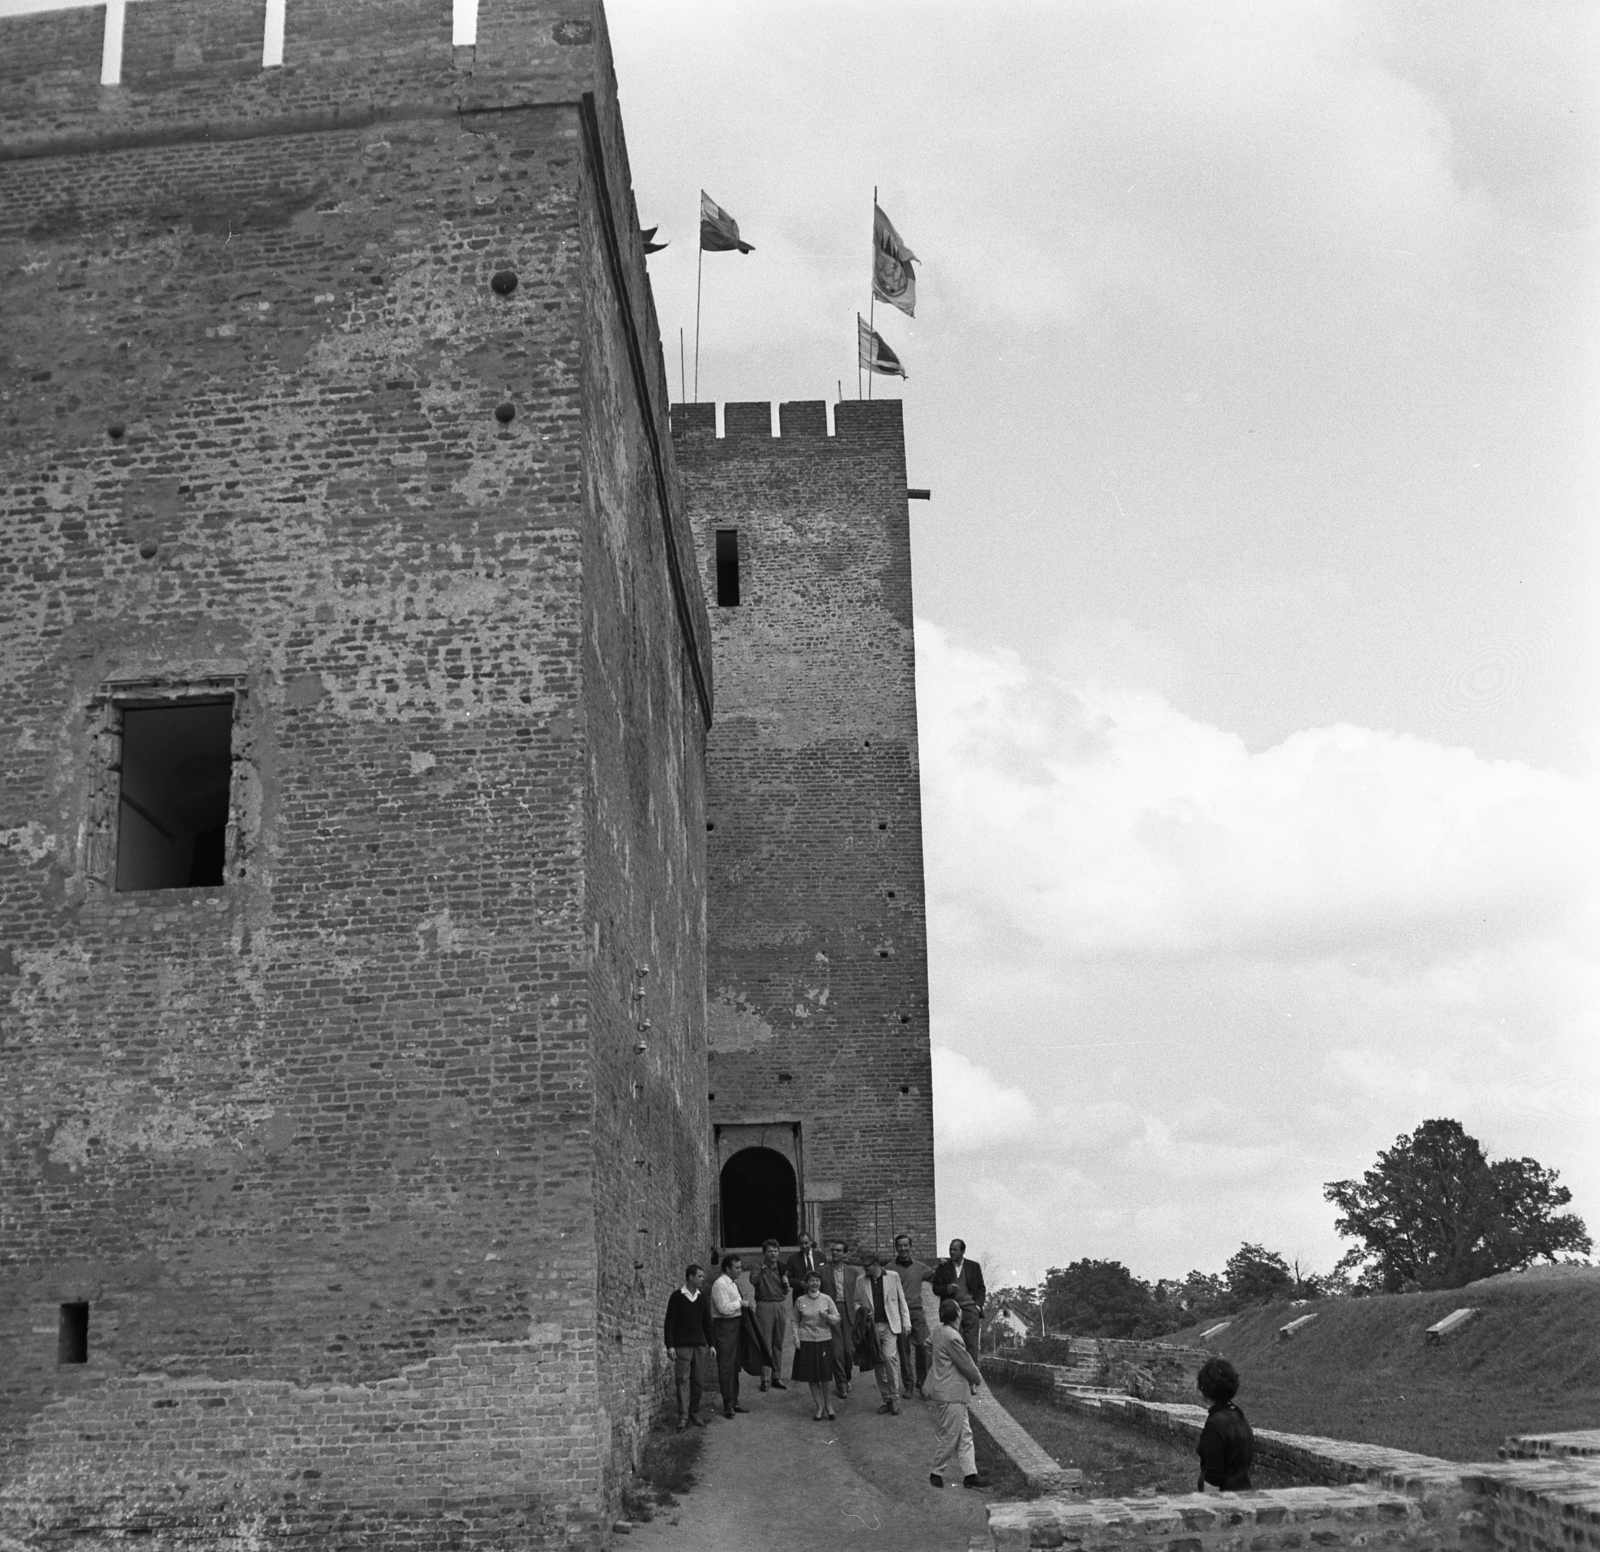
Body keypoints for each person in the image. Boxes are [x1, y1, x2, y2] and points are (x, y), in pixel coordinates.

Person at [927, 1297, 988, 1490]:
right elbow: (966, 1363)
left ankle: (971, 1474)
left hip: (950, 1392)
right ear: (958, 1315)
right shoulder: (953, 1337)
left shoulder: (938, 1331)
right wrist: (977, 1379)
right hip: (951, 1394)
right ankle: (936, 1472)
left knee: (965, 1434)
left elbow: (928, 1344)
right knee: (950, 1435)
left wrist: (940, 1363)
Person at [853, 1249, 911, 1414]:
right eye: (863, 1266)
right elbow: (856, 1303)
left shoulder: (892, 1277)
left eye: (868, 1266)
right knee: (878, 1362)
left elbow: (901, 1301)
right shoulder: (860, 1281)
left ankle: (895, 1398)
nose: (865, 1270)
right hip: (871, 1328)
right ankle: (887, 1400)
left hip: (889, 1325)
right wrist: (863, 1310)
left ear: (876, 1264)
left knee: (889, 1358)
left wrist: (906, 1323)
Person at [663, 1263, 714, 1430]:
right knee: (681, 1380)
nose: (703, 1279)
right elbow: (669, 1323)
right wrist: (670, 1346)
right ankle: (683, 1417)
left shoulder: (702, 1298)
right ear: (690, 1277)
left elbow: (707, 1323)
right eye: (700, 1276)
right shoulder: (676, 1297)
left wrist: (711, 1344)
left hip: (699, 1345)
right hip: (682, 1346)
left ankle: (694, 1413)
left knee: (697, 1381)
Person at [1196, 1357, 1254, 1491]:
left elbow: (1213, 1479)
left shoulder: (1215, 1424)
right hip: (1244, 1494)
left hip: (1225, 1500)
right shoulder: (1239, 1415)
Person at [791, 1270, 842, 1421]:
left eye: (817, 1281)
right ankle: (819, 1406)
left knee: (825, 1376)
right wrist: (796, 1337)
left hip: (823, 1340)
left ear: (820, 1283)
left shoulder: (826, 1299)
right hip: (806, 1341)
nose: (814, 1283)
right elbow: (795, 1320)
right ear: (806, 1283)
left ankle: (828, 1405)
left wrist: (828, 1317)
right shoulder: (800, 1300)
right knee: (812, 1376)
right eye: (811, 1280)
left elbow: (837, 1318)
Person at [709, 1254, 751, 1419]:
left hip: (735, 1326)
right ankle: (728, 1405)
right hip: (724, 1327)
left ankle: (734, 1401)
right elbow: (723, 1309)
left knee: (734, 1366)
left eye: (740, 1267)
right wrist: (740, 1304)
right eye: (737, 1267)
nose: (740, 1270)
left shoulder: (733, 1284)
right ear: (727, 1268)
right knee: (726, 1365)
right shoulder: (720, 1285)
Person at [892, 1233, 933, 1397]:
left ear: (910, 1247)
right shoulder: (890, 1268)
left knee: (922, 1347)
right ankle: (908, 1385)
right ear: (896, 1248)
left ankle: (921, 1382)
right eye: (900, 1246)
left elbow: (936, 1277)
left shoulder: (920, 1267)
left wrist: (946, 1266)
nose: (903, 1249)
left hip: (916, 1313)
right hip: (900, 1314)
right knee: (904, 1351)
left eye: (905, 1245)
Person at [932, 1238, 986, 1359]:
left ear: (963, 1251)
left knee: (971, 1345)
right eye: (950, 1249)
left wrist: (977, 1306)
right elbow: (935, 1288)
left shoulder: (973, 1266)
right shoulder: (943, 1267)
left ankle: (971, 1376)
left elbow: (981, 1288)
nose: (952, 1252)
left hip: (970, 1310)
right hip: (951, 1311)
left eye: (955, 1250)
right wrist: (948, 1289)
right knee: (952, 1343)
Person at [820, 1241, 859, 1399]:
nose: (835, 1253)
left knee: (849, 1351)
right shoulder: (823, 1271)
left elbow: (860, 1292)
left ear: (845, 1254)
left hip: (849, 1312)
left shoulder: (853, 1272)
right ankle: (841, 1384)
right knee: (836, 1352)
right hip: (832, 1312)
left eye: (838, 1251)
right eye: (833, 1250)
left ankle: (847, 1377)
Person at [751, 1239, 790, 1391]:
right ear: (764, 1253)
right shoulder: (758, 1266)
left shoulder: (782, 1267)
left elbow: (785, 1291)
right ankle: (765, 1378)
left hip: (779, 1304)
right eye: (770, 1251)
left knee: (778, 1342)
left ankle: (776, 1376)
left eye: (775, 1251)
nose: (773, 1254)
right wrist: (761, 1271)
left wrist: (785, 1282)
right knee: (765, 1342)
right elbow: (753, 1281)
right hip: (764, 1304)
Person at [785, 1232, 822, 1303]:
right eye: (801, 1243)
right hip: (801, 1295)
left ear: (811, 1242)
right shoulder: (793, 1259)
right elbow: (789, 1278)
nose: (804, 1246)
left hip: (819, 1295)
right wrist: (800, 1283)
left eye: (806, 1243)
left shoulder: (820, 1256)